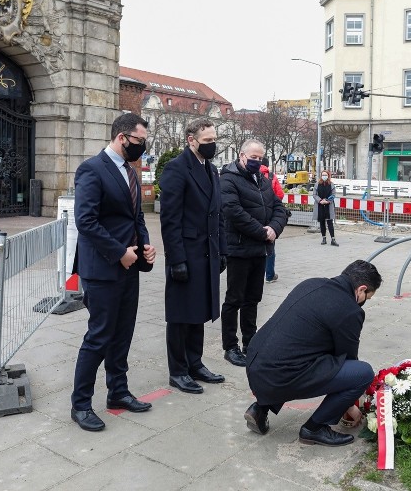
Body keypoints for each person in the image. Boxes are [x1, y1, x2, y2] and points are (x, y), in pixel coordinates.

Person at [70, 113, 157, 432]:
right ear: (122, 137)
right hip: (103, 269)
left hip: (129, 268)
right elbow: (86, 222)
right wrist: (119, 252)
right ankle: (80, 405)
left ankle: (118, 392)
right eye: (140, 141)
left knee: (122, 335)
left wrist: (145, 246)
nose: (143, 148)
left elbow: (137, 219)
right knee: (98, 337)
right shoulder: (92, 170)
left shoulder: (130, 173)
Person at [243, 260, 382, 446]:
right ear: (361, 289)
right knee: (362, 373)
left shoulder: (312, 283)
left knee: (298, 354)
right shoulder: (349, 310)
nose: (365, 302)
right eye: (368, 297)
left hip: (256, 364)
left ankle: (260, 409)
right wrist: (349, 404)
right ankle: (315, 428)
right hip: (279, 375)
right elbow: (347, 358)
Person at [159, 118, 227, 395]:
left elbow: (218, 215)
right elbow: (170, 219)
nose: (213, 145)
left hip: (208, 252)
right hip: (186, 253)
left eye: (214, 140)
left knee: (198, 310)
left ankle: (195, 363)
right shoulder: (177, 169)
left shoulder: (211, 170)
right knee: (180, 315)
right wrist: (176, 259)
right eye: (208, 141)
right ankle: (178, 370)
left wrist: (222, 251)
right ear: (191, 140)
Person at [220, 139, 288, 367]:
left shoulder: (263, 179)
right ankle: (230, 346)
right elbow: (234, 212)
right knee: (234, 299)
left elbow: (279, 207)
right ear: (241, 155)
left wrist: (274, 229)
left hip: (260, 250)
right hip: (239, 249)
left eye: (260, 158)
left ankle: (250, 342)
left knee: (253, 299)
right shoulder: (228, 179)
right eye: (253, 157)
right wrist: (262, 232)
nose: (257, 161)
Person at [260, 157, 285, 283]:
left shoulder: (249, 174)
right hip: (269, 216)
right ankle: (269, 275)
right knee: (270, 245)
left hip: (255, 217)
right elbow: (280, 194)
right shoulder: (271, 176)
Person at [313, 169, 339, 246]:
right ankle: (324, 238)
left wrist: (328, 201)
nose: (324, 176)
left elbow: (333, 194)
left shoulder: (331, 184)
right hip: (320, 205)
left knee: (330, 222)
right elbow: (314, 194)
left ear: (328, 176)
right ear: (321, 176)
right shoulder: (317, 184)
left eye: (326, 175)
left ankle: (333, 239)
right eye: (323, 175)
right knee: (322, 222)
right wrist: (320, 200)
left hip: (328, 205)